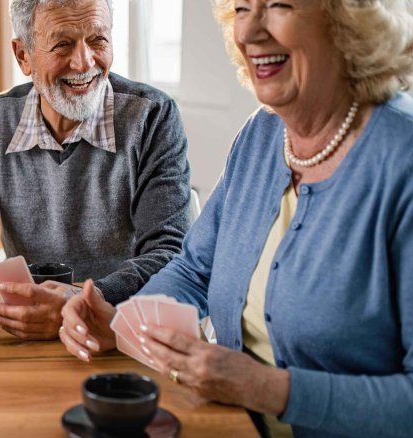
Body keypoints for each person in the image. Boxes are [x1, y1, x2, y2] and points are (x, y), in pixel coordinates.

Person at [60, 1, 413, 437]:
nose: (250, 33)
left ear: (349, 21)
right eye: (244, 9)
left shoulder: (403, 162)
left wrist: (268, 389)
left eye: (280, 5)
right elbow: (195, 270)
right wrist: (128, 322)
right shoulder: (262, 134)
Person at [0, 0, 191, 339]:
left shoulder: (153, 117)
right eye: (62, 44)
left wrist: (84, 300)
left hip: (117, 330)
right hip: (24, 330)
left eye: (98, 40)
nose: (84, 62)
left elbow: (169, 252)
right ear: (23, 56)